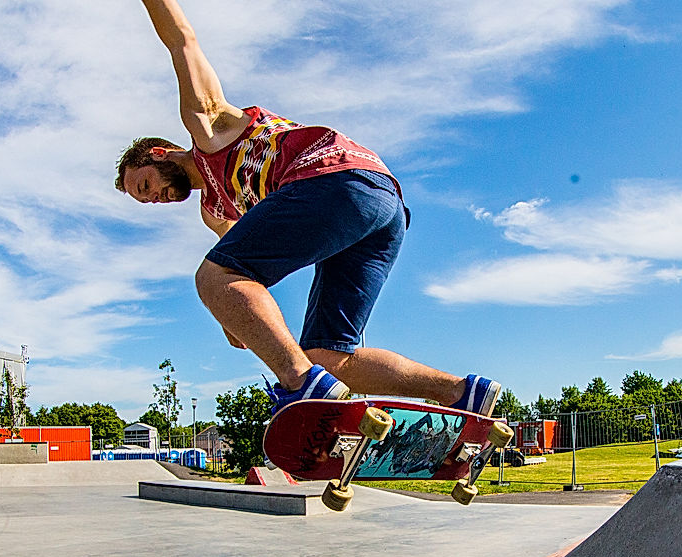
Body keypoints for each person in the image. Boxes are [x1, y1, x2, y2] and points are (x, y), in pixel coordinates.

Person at [116, 0, 500, 416]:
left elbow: (181, 41)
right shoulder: (213, 208)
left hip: (335, 180)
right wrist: (232, 319)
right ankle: (462, 392)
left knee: (211, 278)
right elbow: (242, 271)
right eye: (147, 201)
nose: (155, 198)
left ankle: (301, 386)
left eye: (146, 185)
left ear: (159, 154)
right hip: (381, 208)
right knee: (327, 356)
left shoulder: (208, 125)